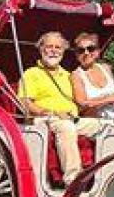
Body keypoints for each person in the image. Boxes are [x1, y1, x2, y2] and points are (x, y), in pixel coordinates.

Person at [17, 31, 101, 187]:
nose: (53, 51)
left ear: (63, 51)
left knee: (103, 125)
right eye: (49, 46)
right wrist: (51, 112)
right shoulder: (31, 74)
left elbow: (80, 103)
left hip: (72, 118)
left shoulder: (68, 75)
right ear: (41, 49)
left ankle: (104, 174)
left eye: (58, 47)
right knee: (66, 127)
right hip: (45, 119)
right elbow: (25, 103)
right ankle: (73, 180)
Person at [70, 32, 114, 121]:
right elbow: (83, 106)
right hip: (98, 122)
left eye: (90, 49)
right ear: (76, 55)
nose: (86, 53)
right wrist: (112, 98)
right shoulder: (76, 75)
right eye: (81, 50)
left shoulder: (106, 68)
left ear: (97, 51)